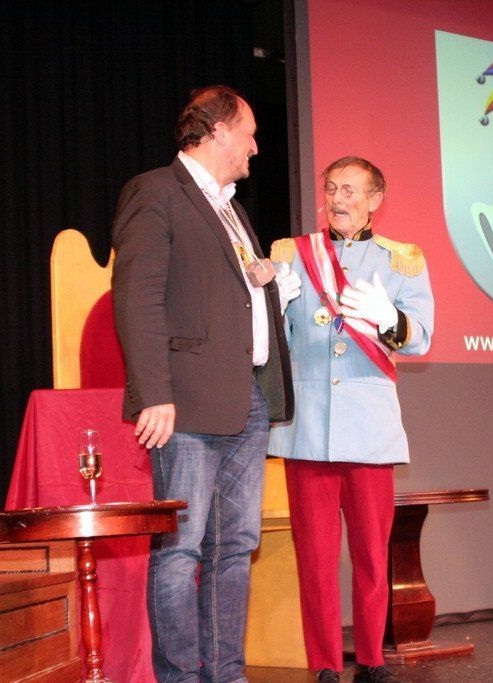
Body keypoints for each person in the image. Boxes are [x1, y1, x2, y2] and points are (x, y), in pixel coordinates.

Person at [111, 85, 293, 683]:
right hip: (185, 401)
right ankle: (181, 677)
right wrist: (154, 392)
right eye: (249, 134)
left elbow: (229, 295)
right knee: (180, 549)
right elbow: (137, 297)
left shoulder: (232, 208)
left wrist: (267, 282)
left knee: (234, 547)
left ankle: (226, 674)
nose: (256, 148)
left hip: (246, 398)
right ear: (217, 131)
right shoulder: (155, 192)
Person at [268, 157, 435, 683]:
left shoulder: (402, 260)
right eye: (331, 188)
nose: (337, 199)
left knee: (371, 555)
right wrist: (271, 310)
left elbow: (421, 337)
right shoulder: (291, 255)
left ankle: (371, 659)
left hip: (369, 429)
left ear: (374, 200)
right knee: (315, 559)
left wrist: (390, 319)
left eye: (350, 190)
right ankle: (323, 663)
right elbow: (275, 347)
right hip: (308, 431)